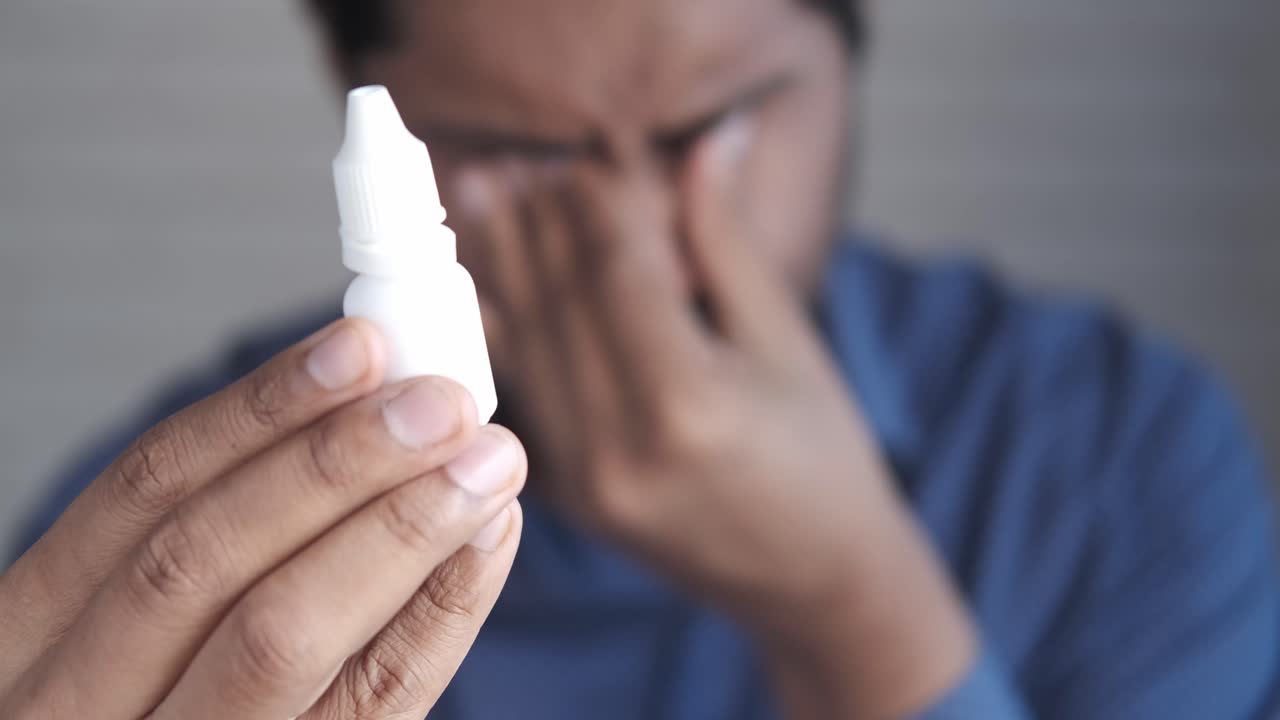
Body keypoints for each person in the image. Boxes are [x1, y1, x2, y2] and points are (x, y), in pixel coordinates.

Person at [2, 0, 1277, 717]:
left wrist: (857, 611)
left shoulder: (1118, 463)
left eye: (714, 126)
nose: (632, 243)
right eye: (523, 152)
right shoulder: (181, 548)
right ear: (361, 89)